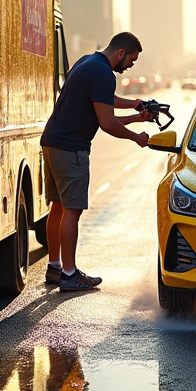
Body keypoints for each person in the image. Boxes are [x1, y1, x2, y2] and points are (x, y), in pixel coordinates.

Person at [40, 32, 152, 292]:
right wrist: (137, 137)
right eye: (131, 60)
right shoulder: (104, 74)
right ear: (121, 53)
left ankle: (55, 267)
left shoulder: (88, 62)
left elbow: (105, 101)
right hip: (71, 148)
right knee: (73, 210)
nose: (131, 66)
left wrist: (135, 107)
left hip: (53, 141)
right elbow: (107, 122)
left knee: (57, 206)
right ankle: (69, 275)